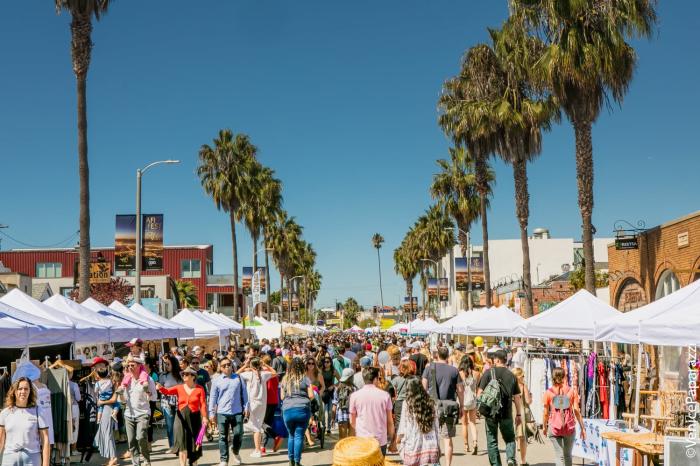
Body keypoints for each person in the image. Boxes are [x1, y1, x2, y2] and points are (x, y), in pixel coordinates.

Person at [477, 349, 524, 466]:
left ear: (497, 360)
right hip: (506, 413)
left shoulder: (488, 373)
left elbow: (479, 394)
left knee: (492, 440)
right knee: (509, 438)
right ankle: (510, 459)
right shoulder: (512, 375)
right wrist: (518, 414)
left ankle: (496, 464)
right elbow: (517, 397)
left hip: (490, 413)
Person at [156, 367, 208, 466]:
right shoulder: (179, 387)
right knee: (182, 442)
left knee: (193, 443)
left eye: (186, 374)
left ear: (193, 376)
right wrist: (160, 388)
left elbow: (203, 404)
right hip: (180, 418)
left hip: (195, 418)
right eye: (183, 374)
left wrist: (205, 417)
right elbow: (167, 391)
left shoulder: (199, 389)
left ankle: (194, 463)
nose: (184, 375)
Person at [422, 346, 463, 466]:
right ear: (448, 356)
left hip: (432, 406)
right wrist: (461, 407)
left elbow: (423, 387)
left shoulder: (429, 369)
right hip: (449, 408)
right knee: (447, 439)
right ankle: (448, 464)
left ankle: (435, 462)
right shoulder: (454, 370)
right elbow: (460, 390)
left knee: (433, 437)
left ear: (437, 355)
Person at [0, 377, 50, 466]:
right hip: (9, 458)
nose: (23, 391)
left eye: (26, 389)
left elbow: (45, 439)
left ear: (30, 391)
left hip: (32, 458)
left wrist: (45, 463)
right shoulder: (5, 413)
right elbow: (0, 440)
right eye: (20, 389)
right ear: (14, 391)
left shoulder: (39, 411)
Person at [209, 357, 248, 466]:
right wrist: (211, 413)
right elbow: (213, 398)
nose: (227, 367)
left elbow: (245, 394)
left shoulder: (239, 378)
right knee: (222, 436)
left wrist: (247, 407)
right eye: (224, 365)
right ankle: (224, 460)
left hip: (237, 412)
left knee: (239, 434)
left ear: (232, 365)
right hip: (222, 412)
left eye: (229, 364)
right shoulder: (216, 381)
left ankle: (235, 450)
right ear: (220, 368)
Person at [543, 367, 585, 466]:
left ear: (552, 377)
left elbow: (545, 413)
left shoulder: (548, 393)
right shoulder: (571, 391)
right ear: (564, 376)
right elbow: (576, 410)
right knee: (568, 455)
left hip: (554, 427)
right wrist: (582, 427)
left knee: (559, 456)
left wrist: (545, 427)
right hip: (569, 427)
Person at [349, 367, 394, 457]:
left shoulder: (354, 396)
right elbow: (390, 421)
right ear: (375, 379)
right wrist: (392, 439)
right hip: (380, 439)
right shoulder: (385, 396)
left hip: (362, 439)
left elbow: (352, 421)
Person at [120, 355, 156, 466]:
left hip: (143, 413)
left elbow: (154, 396)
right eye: (128, 365)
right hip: (129, 414)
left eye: (132, 365)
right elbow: (123, 399)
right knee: (131, 441)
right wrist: (121, 396)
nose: (129, 367)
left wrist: (149, 395)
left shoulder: (148, 379)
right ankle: (136, 463)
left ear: (139, 365)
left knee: (140, 437)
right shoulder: (126, 380)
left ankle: (146, 459)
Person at [396, 377, 441, 466]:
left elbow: (403, 426)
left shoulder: (407, 403)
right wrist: (438, 444)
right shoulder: (431, 402)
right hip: (430, 445)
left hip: (412, 445)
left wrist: (397, 439)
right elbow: (436, 426)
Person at [237, 357, 276, 458]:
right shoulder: (264, 374)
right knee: (257, 426)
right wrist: (265, 365)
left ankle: (257, 450)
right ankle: (258, 448)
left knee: (255, 427)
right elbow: (274, 372)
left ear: (251, 365)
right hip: (262, 403)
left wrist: (245, 366)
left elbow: (236, 374)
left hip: (252, 403)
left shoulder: (249, 374)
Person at [281, 358, 314, 466]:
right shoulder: (306, 379)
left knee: (291, 435)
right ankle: (297, 461)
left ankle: (290, 461)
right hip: (302, 409)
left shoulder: (285, 379)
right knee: (299, 435)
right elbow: (311, 396)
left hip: (288, 409)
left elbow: (282, 397)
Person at [92, 358, 118, 466]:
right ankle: (111, 458)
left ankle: (113, 458)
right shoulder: (110, 381)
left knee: (107, 433)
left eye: (99, 366)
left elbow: (114, 399)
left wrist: (102, 402)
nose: (97, 368)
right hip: (108, 408)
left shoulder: (111, 381)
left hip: (108, 408)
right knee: (106, 433)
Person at [159, 355, 183, 451]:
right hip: (167, 403)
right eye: (165, 364)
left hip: (179, 401)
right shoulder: (162, 375)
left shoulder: (181, 374)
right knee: (170, 425)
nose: (166, 366)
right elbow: (160, 388)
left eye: (168, 364)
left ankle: (181, 444)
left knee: (180, 424)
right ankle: (172, 446)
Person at [459, 353, 480, 455]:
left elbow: (458, 388)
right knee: (472, 423)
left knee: (464, 424)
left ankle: (466, 445)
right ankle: (475, 442)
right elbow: (477, 388)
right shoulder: (476, 373)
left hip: (463, 401)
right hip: (472, 400)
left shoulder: (460, 373)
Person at [261, 355, 282, 454]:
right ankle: (262, 447)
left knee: (262, 423)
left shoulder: (264, 373)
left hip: (266, 401)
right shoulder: (272, 372)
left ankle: (275, 436)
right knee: (267, 424)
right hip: (274, 401)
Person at [512, 367, 532, 466]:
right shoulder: (523, 386)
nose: (524, 377)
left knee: (511, 437)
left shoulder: (510, 385)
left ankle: (511, 458)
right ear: (519, 376)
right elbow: (528, 401)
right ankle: (523, 461)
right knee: (522, 438)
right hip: (521, 412)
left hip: (511, 412)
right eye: (522, 375)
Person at [333, 368, 356, 440]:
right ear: (351, 377)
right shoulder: (354, 388)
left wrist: (333, 418)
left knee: (342, 439)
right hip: (353, 414)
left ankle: (342, 451)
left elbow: (334, 404)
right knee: (351, 438)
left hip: (341, 414)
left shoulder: (338, 388)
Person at [320, 356, 336, 435]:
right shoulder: (320, 370)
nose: (326, 363)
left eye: (328, 362)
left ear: (330, 363)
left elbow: (340, 380)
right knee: (323, 411)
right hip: (322, 392)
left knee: (329, 411)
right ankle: (323, 426)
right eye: (325, 362)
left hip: (330, 392)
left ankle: (328, 428)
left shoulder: (333, 371)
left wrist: (333, 386)